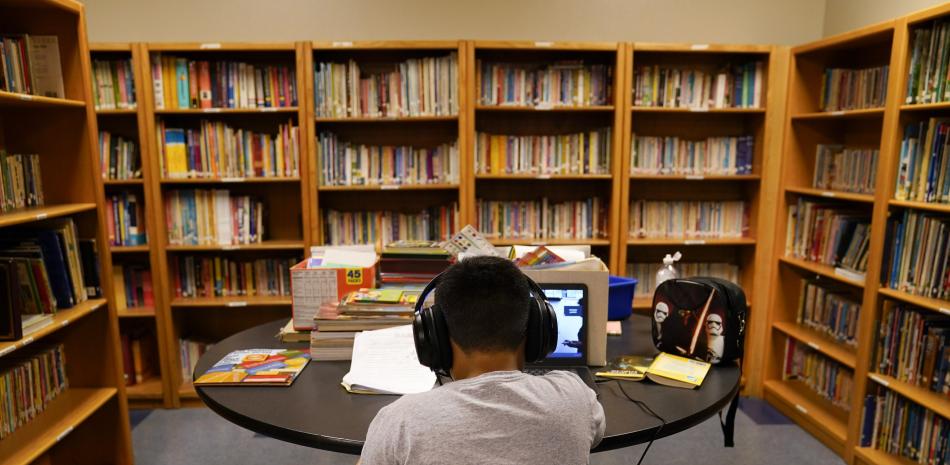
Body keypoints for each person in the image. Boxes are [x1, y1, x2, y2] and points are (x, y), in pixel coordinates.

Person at [359, 256, 605, 465]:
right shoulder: (575, 397)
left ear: (437, 337)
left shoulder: (400, 422)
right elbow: (595, 432)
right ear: (537, 329)